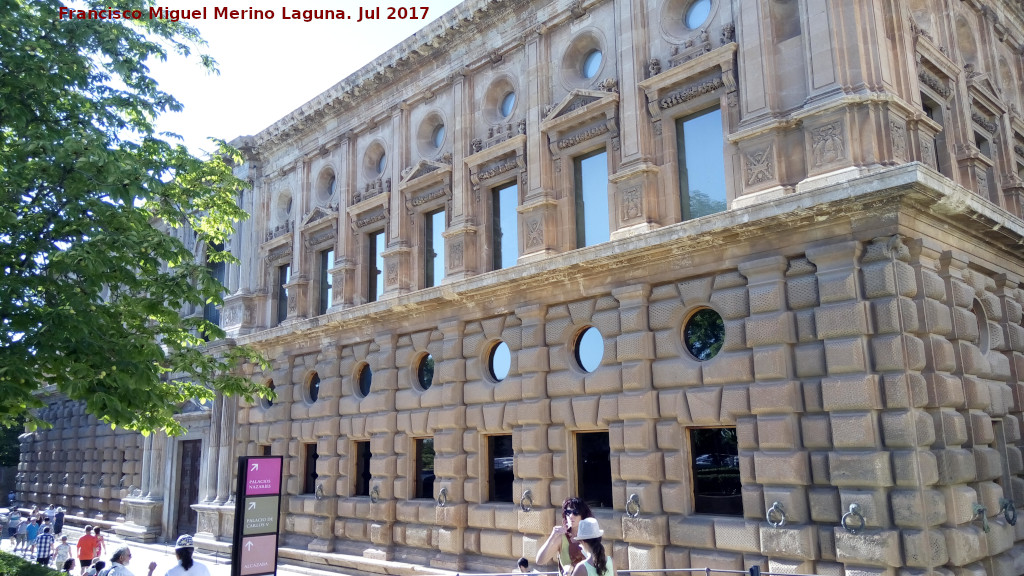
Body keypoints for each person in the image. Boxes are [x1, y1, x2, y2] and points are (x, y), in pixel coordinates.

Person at [536, 497, 595, 575]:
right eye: (568, 512)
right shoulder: (562, 538)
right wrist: (552, 537)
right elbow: (540, 561)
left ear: (583, 515)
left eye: (575, 512)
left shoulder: (591, 536)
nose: (571, 516)